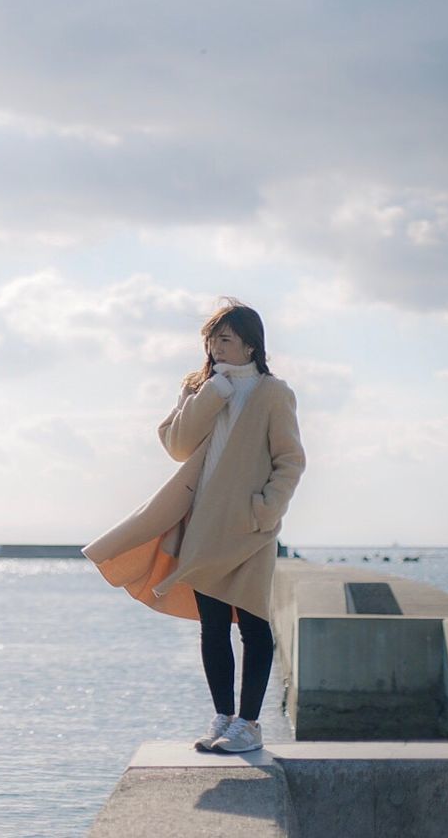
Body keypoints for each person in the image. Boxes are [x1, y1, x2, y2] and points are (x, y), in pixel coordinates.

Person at [82, 298, 305, 754]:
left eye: (225, 339)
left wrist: (265, 510)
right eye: (211, 340)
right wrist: (212, 393)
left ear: (250, 345)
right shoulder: (199, 386)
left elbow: (290, 460)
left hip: (251, 528)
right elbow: (178, 445)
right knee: (214, 624)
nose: (216, 348)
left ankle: (249, 724)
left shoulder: (273, 393)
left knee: (255, 625)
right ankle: (224, 718)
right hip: (203, 522)